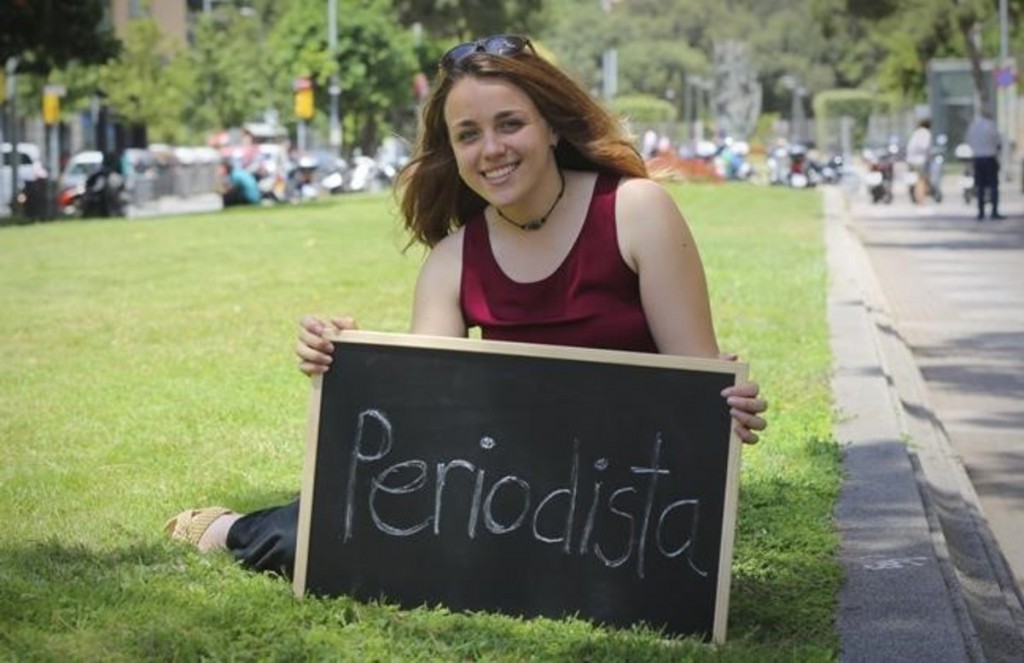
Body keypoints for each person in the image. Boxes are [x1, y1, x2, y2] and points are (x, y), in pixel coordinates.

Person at [165, 34, 768, 578]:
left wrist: (723, 407)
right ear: (451, 149)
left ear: (552, 127)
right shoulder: (453, 261)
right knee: (340, 521)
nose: (491, 150)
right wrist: (347, 356)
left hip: (630, 497)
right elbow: (425, 420)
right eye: (468, 135)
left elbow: (696, 379)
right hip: (503, 494)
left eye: (510, 124)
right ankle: (229, 531)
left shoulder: (636, 213)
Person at [964, 107, 1004, 220]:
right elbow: (998, 141)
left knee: (980, 186)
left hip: (977, 158)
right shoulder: (991, 125)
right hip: (990, 157)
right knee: (993, 185)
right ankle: (994, 211)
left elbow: (968, 140)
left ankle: (981, 211)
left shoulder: (973, 126)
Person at [905, 118, 932, 204]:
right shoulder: (926, 133)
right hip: (920, 159)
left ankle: (919, 197)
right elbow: (925, 146)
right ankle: (921, 199)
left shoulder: (916, 133)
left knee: (919, 180)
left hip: (912, 159)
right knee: (921, 180)